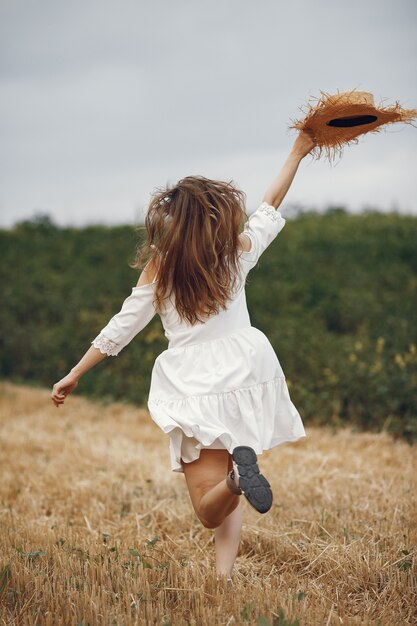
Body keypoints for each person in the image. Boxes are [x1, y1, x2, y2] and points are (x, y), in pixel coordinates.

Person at [51, 129, 315, 583]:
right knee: (234, 471)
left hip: (197, 385)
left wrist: (75, 372)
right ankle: (223, 577)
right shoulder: (236, 253)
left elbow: (123, 325)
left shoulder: (162, 266)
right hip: (247, 370)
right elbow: (271, 204)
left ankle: (236, 481)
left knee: (209, 507)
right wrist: (299, 150)